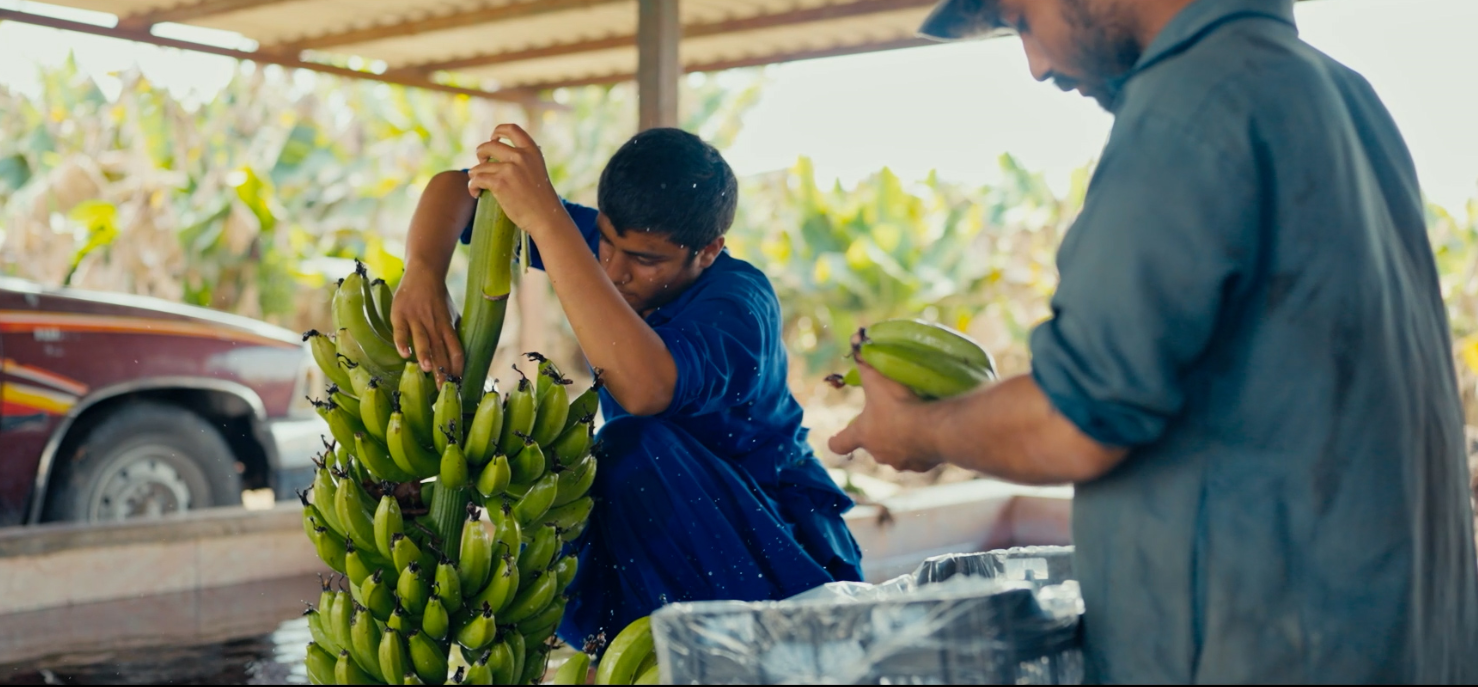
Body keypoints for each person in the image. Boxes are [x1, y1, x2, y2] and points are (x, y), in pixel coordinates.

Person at [830, 0, 1478, 682]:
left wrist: (919, 429)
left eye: (1021, 18)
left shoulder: (1188, 104)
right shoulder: (1336, 92)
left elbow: (1077, 419)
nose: (1037, 64)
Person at [390, 124, 865, 647]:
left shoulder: (739, 303)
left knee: (630, 447)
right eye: (607, 245)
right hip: (670, 539)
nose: (615, 271)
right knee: (563, 483)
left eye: (645, 260)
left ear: (707, 251)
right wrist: (423, 271)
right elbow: (458, 189)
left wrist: (546, 219)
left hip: (782, 557)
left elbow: (645, 389)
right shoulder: (607, 248)